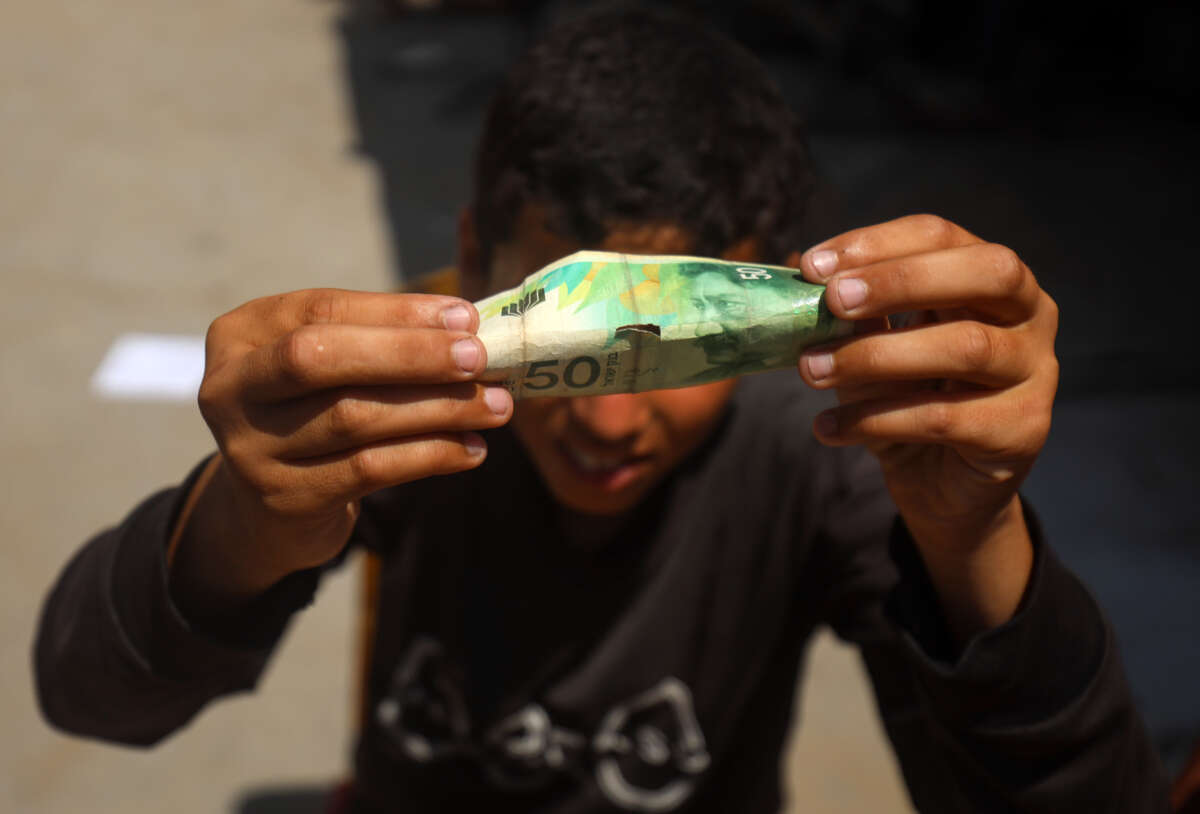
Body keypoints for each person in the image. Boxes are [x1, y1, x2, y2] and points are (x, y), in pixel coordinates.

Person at [35, 5, 1168, 812]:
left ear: (777, 301)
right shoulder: (413, 405)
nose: (610, 424)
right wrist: (243, 517)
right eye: (570, 355)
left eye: (675, 359)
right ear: (471, 263)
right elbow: (92, 696)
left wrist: (976, 535)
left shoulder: (831, 458)